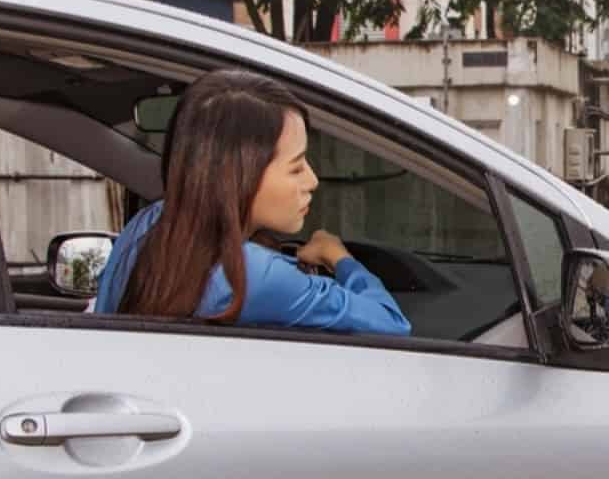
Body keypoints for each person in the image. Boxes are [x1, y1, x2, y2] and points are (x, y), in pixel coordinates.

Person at [94, 69, 411, 335]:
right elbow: (391, 324)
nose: (312, 181)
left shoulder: (149, 223)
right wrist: (338, 256)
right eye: (297, 166)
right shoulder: (251, 276)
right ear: (240, 176)